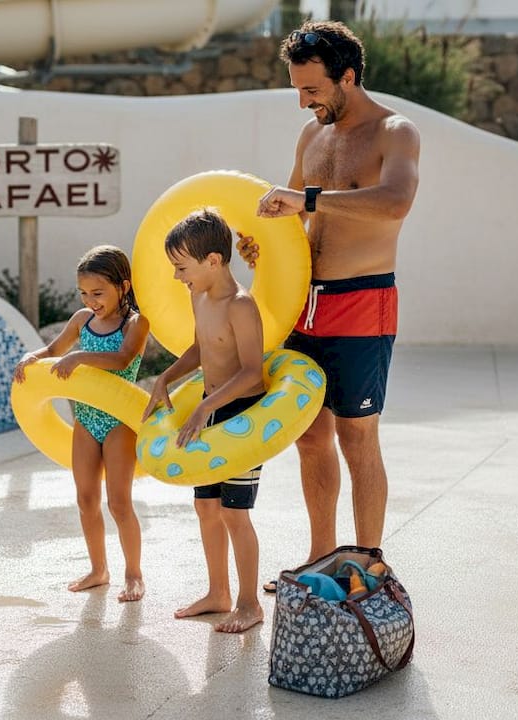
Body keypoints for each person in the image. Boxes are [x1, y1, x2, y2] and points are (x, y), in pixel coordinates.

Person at [238, 20, 421, 584]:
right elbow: (294, 217)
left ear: (348, 76)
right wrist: (264, 246)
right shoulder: (311, 136)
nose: (303, 102)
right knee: (310, 435)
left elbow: (395, 202)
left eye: (312, 90)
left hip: (361, 300)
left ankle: (367, 564)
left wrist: (308, 199)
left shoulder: (396, 131)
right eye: (297, 90)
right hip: (303, 302)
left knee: (356, 435)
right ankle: (322, 558)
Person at [142, 209, 267, 633]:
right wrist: (165, 378)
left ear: (213, 261)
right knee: (206, 506)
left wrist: (202, 408)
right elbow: (201, 348)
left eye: (182, 268)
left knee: (235, 513)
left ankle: (249, 604)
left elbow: (252, 372)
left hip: (240, 413)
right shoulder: (199, 296)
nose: (177, 276)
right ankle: (219, 593)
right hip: (208, 407)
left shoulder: (240, 306)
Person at [13, 245, 150, 602]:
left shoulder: (135, 324)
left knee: (119, 503)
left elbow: (122, 359)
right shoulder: (82, 320)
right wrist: (31, 357)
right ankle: (98, 569)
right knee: (86, 499)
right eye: (84, 293)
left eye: (98, 293)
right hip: (86, 421)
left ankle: (133, 574)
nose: (91, 301)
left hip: (119, 422)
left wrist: (80, 358)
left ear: (123, 286)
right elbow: (52, 351)